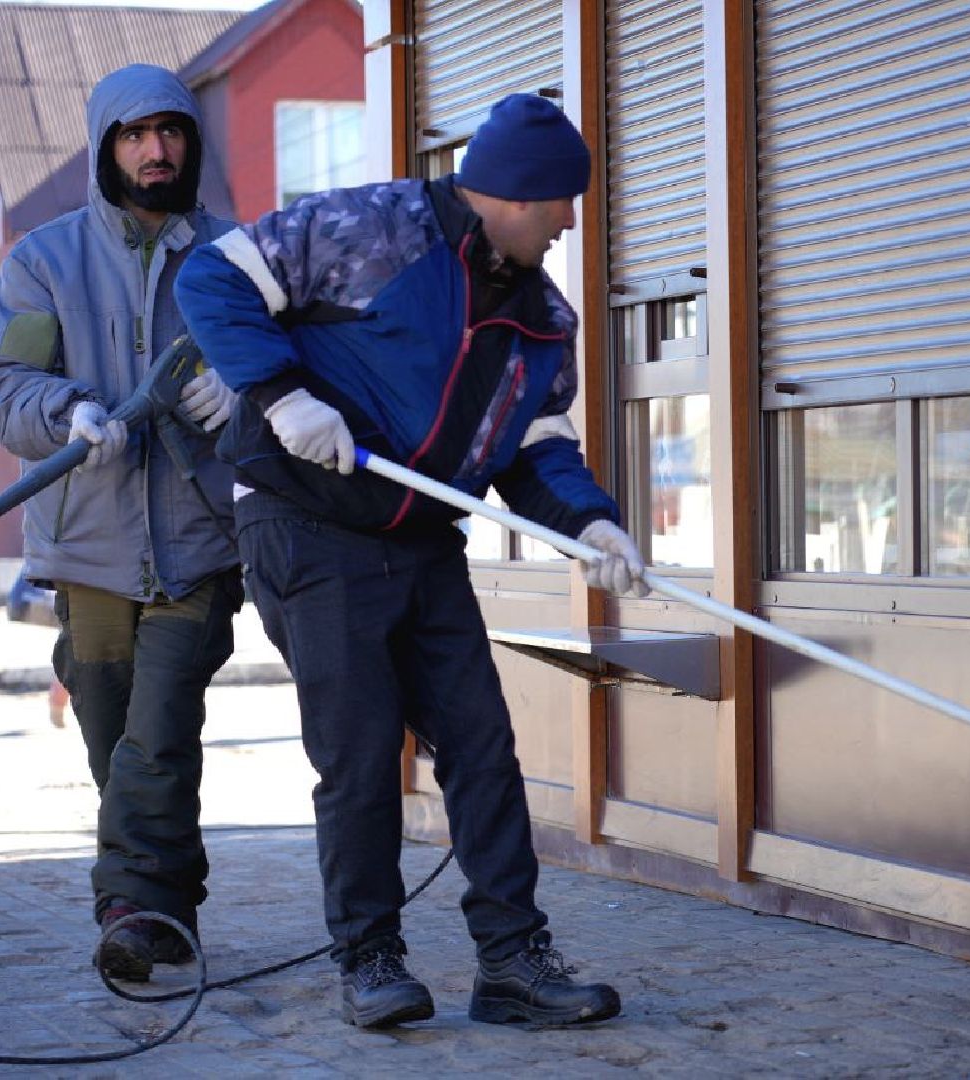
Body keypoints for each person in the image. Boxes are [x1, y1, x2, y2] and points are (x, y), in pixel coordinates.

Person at [174, 92, 647, 1030]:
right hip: (306, 519)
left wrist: (591, 525)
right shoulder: (369, 230)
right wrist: (280, 396)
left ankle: (512, 963)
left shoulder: (544, 322)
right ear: (513, 195)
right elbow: (212, 279)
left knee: (480, 744)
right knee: (358, 751)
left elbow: (536, 452)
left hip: (421, 534)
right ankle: (370, 960)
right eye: (560, 204)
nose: (567, 223)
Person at [0, 64, 242, 982]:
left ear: (191, 143)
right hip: (86, 545)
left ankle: (128, 911)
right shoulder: (42, 262)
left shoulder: (234, 258)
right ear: (103, 147)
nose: (154, 150)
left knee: (158, 728)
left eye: (169, 132)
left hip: (201, 540)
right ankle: (166, 900)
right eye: (133, 135)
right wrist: (68, 411)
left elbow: (291, 375)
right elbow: (5, 387)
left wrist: (235, 394)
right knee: (113, 736)